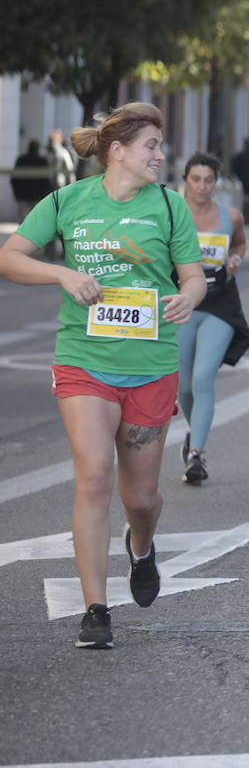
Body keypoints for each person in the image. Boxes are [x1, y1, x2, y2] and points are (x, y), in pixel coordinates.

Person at [0, 103, 205, 649]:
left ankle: (141, 545)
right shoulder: (67, 201)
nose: (160, 156)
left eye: (161, 146)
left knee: (140, 498)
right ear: (118, 150)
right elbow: (10, 257)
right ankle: (95, 608)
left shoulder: (168, 206)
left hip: (150, 365)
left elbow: (193, 277)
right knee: (92, 475)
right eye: (152, 146)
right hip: (83, 359)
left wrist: (186, 297)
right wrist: (63, 274)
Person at [176, 153, 249, 484]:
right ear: (186, 181)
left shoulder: (230, 216)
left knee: (203, 377)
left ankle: (197, 455)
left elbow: (239, 243)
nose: (202, 187)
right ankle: (195, 434)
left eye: (209, 180)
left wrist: (235, 258)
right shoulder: (173, 216)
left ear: (215, 183)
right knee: (182, 386)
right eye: (196, 180)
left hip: (220, 302)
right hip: (182, 303)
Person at [12, 138, 54, 220]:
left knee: (24, 220)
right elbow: (47, 181)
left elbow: (14, 179)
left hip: (23, 195)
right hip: (37, 196)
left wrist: (17, 193)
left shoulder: (21, 160)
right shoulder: (42, 161)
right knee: (36, 220)